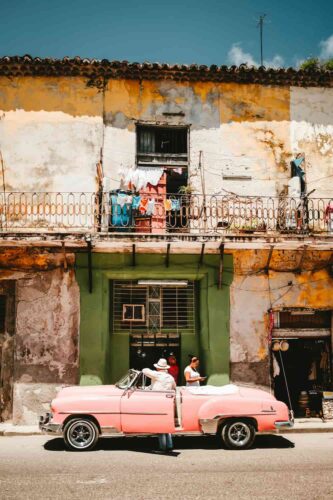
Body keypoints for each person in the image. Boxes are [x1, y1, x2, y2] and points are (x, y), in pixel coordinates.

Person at [142, 358, 176, 452]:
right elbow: (174, 388)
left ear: (158, 368)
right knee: (167, 425)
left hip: (157, 402)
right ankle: (170, 445)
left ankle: (162, 447)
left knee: (160, 425)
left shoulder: (156, 375)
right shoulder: (170, 377)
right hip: (168, 402)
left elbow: (144, 370)